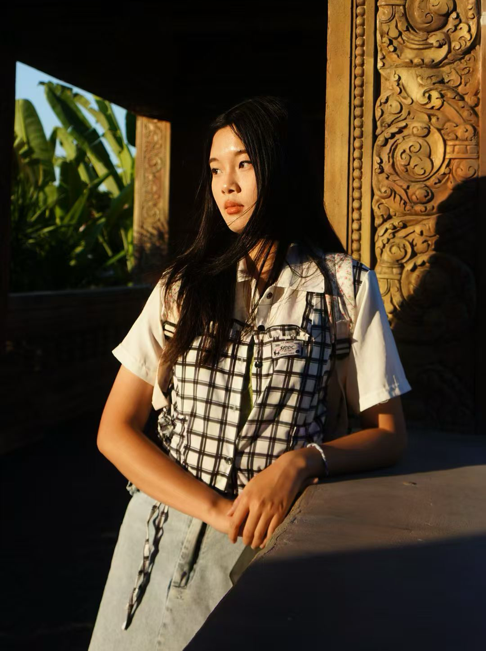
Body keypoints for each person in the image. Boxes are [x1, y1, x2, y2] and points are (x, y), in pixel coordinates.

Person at [87, 95, 411, 651]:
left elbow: (388, 434)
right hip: (157, 535)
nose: (227, 185)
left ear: (281, 168)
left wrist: (300, 462)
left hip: (267, 545)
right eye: (216, 168)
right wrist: (217, 509)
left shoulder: (344, 288)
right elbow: (114, 430)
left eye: (244, 163)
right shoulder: (182, 287)